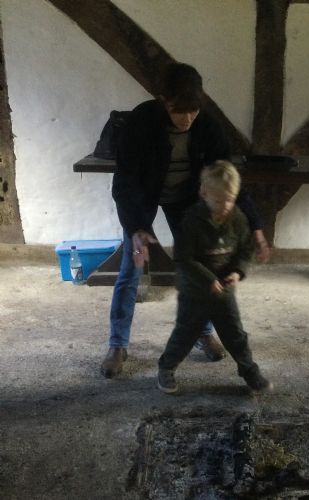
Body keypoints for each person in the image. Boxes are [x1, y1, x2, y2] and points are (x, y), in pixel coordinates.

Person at [100, 63, 270, 378]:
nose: (188, 118)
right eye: (180, 111)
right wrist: (136, 229)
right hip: (144, 199)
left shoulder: (208, 126)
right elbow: (124, 184)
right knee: (131, 269)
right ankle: (117, 344)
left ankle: (203, 332)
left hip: (189, 202)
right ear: (164, 101)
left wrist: (256, 225)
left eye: (194, 110)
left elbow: (229, 180)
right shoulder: (140, 122)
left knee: (202, 269)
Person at [157, 161, 273, 394]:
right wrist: (208, 279)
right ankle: (166, 367)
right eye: (218, 201)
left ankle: (249, 371)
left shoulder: (238, 218)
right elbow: (184, 259)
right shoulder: (191, 220)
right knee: (185, 333)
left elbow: (245, 250)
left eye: (229, 200)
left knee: (236, 334)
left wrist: (237, 272)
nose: (224, 206)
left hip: (224, 290)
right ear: (204, 194)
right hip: (195, 291)